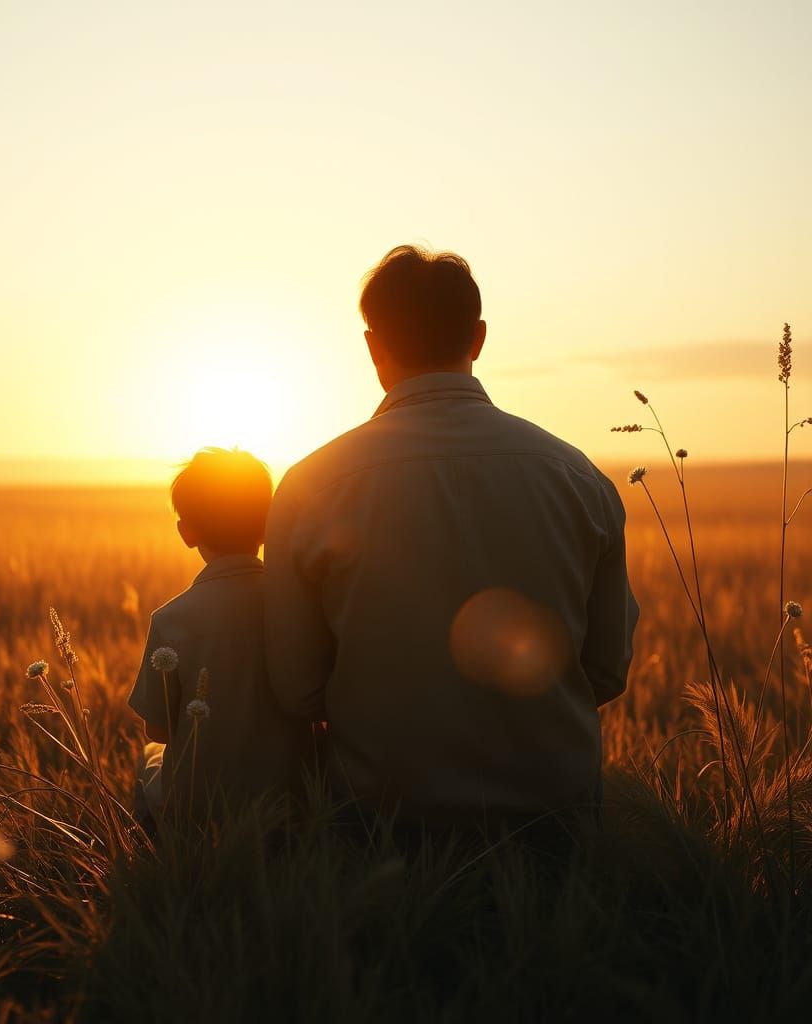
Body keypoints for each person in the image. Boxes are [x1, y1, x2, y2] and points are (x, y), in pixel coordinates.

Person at [264, 245, 638, 845]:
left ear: (372, 347)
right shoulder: (579, 479)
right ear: (479, 337)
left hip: (378, 829)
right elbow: (606, 669)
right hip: (557, 826)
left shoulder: (312, 486)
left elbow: (296, 686)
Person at [129, 448, 304, 822]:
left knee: (149, 758)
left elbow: (157, 729)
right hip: (293, 800)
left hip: (197, 805)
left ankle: (153, 847)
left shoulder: (170, 620)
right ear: (267, 524)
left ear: (186, 532)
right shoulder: (299, 606)